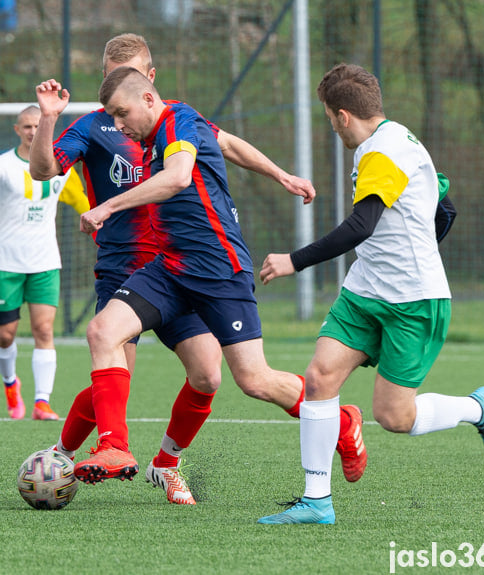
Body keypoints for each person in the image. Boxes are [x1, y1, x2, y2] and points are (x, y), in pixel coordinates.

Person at [31, 34, 366, 505]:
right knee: (103, 335)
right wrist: (49, 120)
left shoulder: (179, 119)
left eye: (122, 110)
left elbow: (183, 174)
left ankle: (341, 421)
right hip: (159, 268)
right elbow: (44, 170)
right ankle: (109, 448)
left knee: (242, 379)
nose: (117, 123)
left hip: (215, 271)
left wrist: (108, 208)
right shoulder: (113, 129)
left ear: (150, 83)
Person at [256, 63, 484, 525]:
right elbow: (444, 203)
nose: (332, 128)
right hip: (365, 291)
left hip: (413, 302)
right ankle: (317, 501)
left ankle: (479, 408)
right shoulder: (397, 139)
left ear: (343, 114)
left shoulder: (382, 152)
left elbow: (361, 226)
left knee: (395, 416)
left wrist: (293, 261)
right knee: (319, 378)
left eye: (330, 119)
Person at [0, 105, 89, 421]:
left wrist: (99, 226)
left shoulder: (62, 167)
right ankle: (11, 385)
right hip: (6, 262)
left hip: (46, 261)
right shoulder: (0, 167)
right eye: (27, 126)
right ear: (17, 130)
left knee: (43, 329)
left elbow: (84, 203)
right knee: (6, 335)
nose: (33, 131)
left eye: (39, 125)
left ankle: (42, 402)